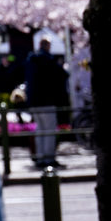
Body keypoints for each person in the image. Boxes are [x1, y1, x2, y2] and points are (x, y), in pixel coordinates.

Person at [25, 37, 69, 167]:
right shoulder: (48, 60)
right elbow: (62, 75)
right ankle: (48, 158)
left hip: (34, 101)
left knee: (40, 129)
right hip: (46, 100)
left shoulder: (31, 60)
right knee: (49, 130)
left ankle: (40, 157)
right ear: (47, 46)